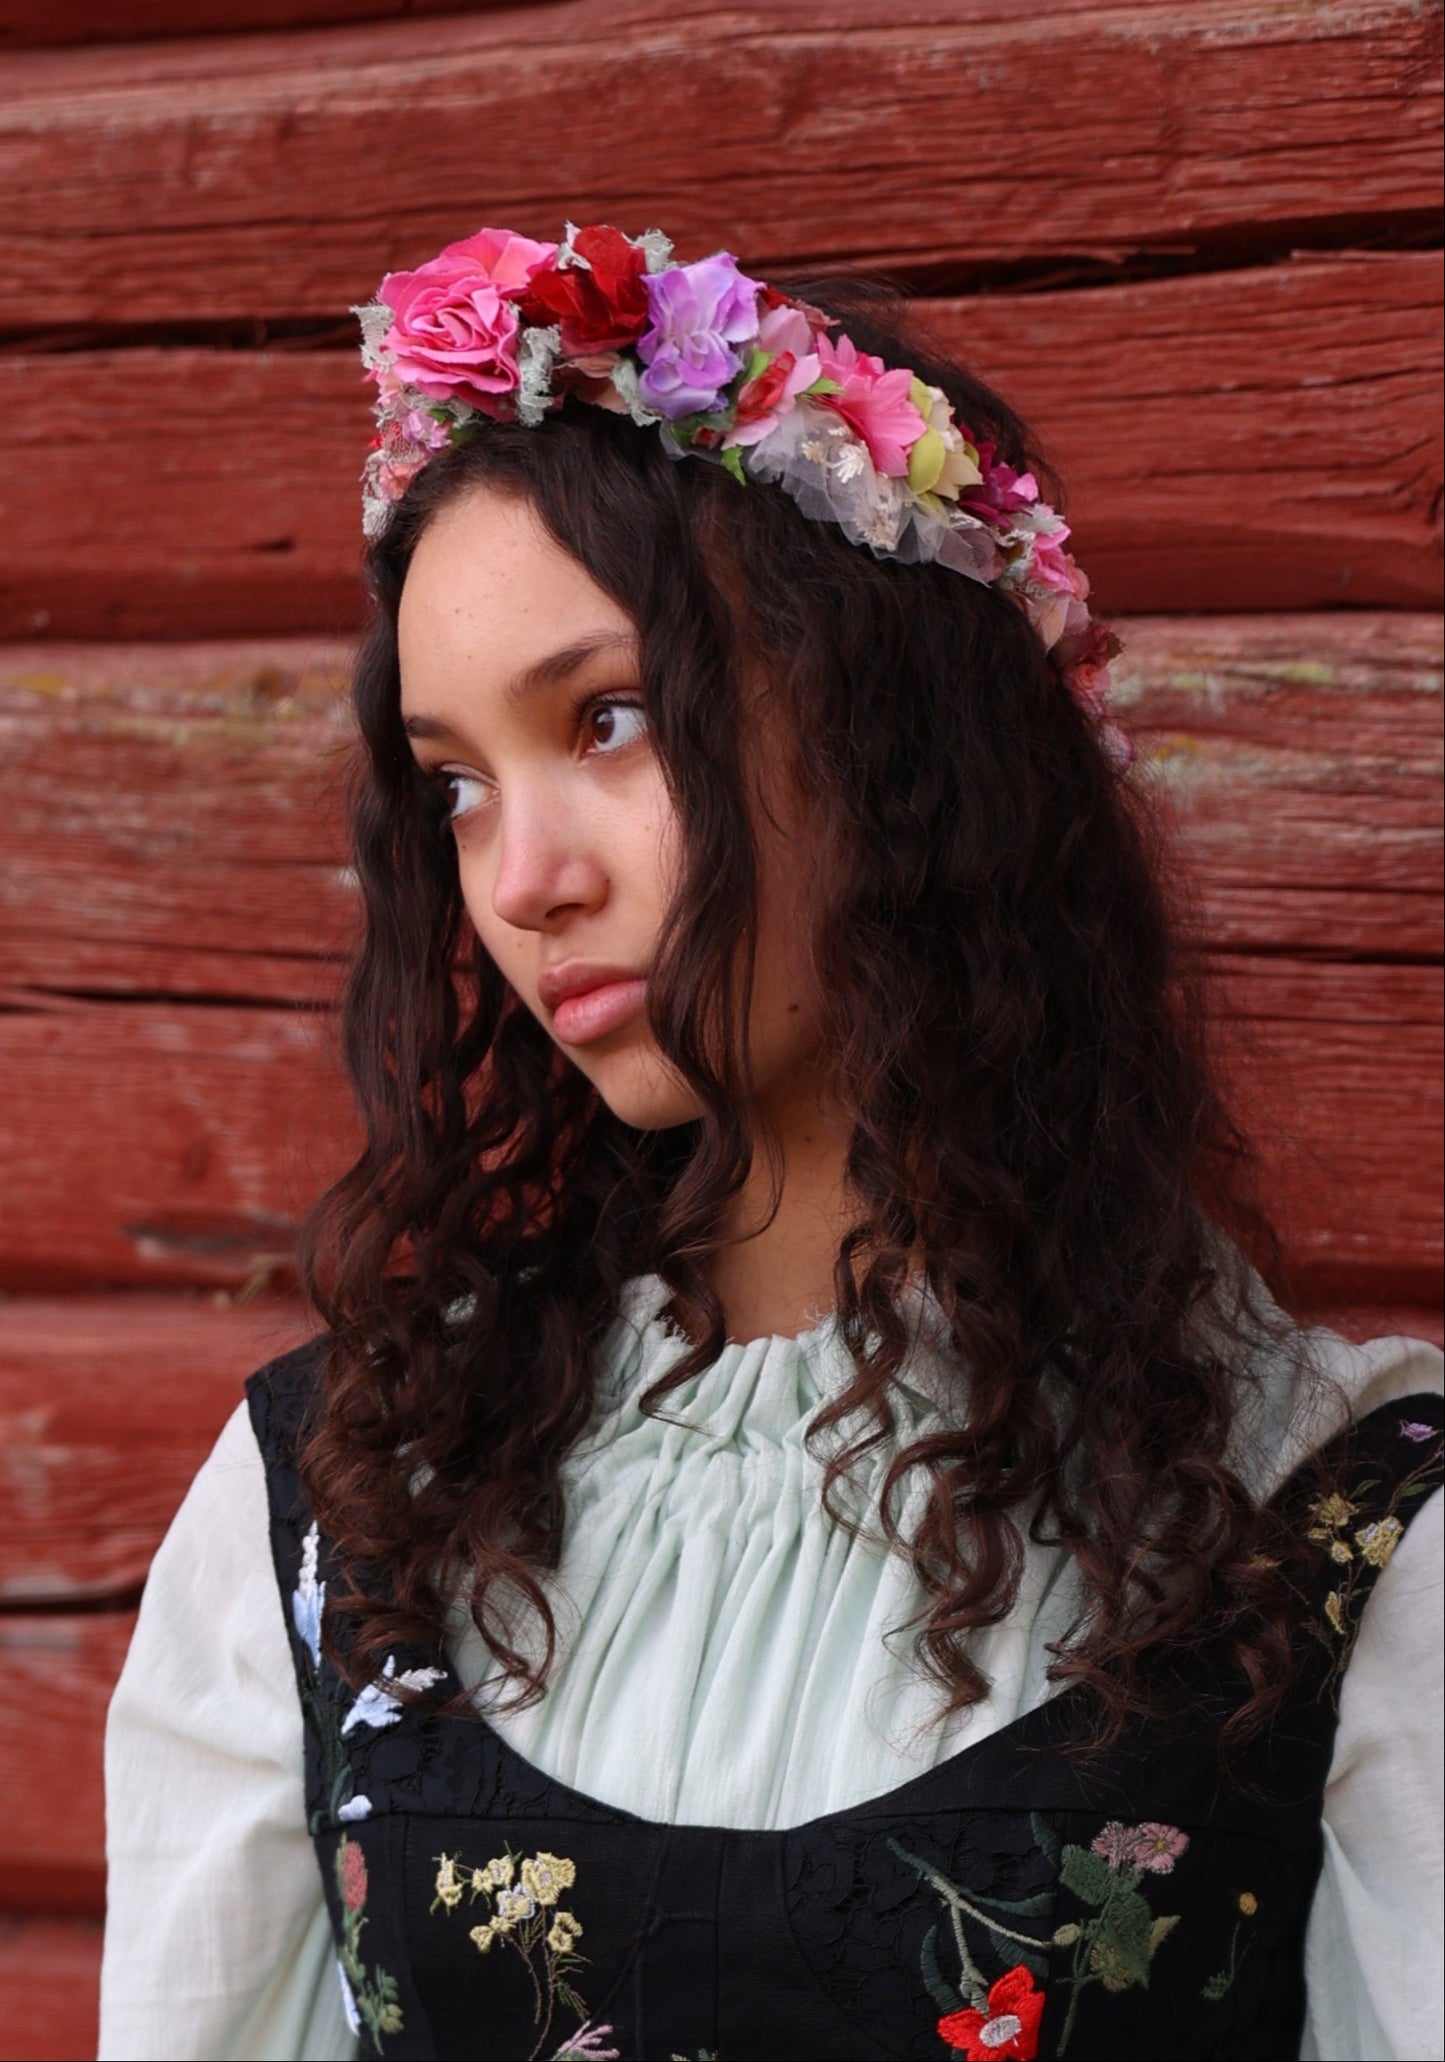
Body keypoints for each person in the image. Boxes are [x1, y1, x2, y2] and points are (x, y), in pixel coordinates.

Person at [98, 223, 1442, 2062]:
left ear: (892, 732)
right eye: (458, 783)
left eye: (610, 719)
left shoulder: (1330, 1524)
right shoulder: (340, 1506)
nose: (521, 876)